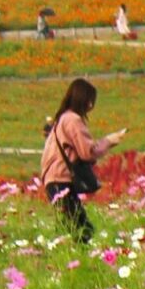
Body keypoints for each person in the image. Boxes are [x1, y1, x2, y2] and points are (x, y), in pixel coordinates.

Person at [41, 77, 126, 243]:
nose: (91, 106)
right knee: (80, 230)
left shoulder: (62, 118)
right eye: (90, 101)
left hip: (54, 179)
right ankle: (72, 261)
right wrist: (110, 140)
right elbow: (87, 152)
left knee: (70, 226)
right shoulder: (72, 119)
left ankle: (66, 259)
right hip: (61, 180)